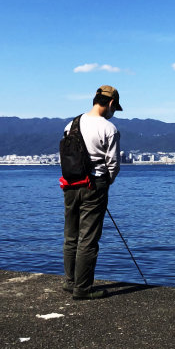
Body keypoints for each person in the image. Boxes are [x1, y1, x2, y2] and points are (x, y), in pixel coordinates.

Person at [61, 85, 123, 300]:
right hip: (94, 185)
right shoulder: (108, 128)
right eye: (114, 108)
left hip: (70, 185)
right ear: (111, 104)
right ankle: (83, 289)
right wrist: (107, 183)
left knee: (71, 236)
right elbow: (113, 164)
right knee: (88, 239)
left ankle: (70, 282)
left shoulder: (71, 124)